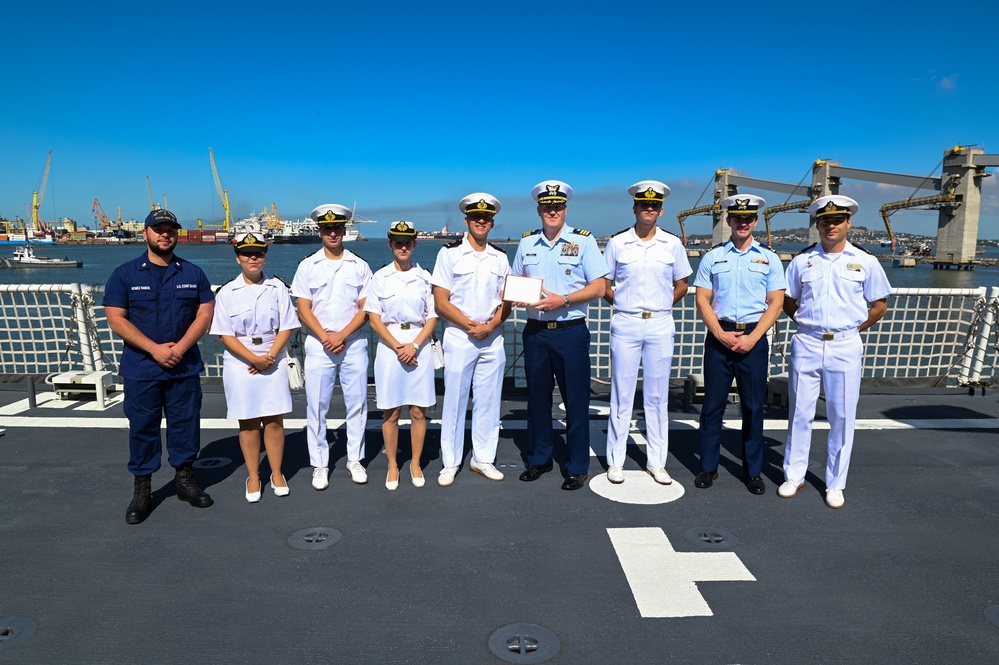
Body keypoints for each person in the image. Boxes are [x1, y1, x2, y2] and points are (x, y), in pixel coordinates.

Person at [103, 209, 215, 524]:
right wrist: (154, 349)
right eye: (158, 229)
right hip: (141, 368)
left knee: (186, 423)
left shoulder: (193, 274)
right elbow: (116, 319)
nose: (164, 234)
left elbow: (204, 315)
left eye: (170, 230)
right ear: (146, 234)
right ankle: (142, 490)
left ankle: (185, 481)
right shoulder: (124, 275)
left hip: (183, 365)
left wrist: (178, 349)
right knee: (142, 427)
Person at [780, 195, 891, 508]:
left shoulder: (866, 261)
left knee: (842, 416)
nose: (831, 225)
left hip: (844, 345)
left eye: (837, 220)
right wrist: (807, 323)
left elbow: (879, 305)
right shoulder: (802, 261)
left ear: (848, 223)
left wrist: (852, 329)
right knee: (799, 413)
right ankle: (794, 475)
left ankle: (835, 483)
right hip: (807, 342)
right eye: (825, 220)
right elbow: (789, 300)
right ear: (817, 224)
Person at [512, 180, 608, 490]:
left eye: (558, 206)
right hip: (536, 332)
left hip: (570, 332)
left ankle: (577, 465)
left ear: (565, 208)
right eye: (547, 207)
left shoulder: (584, 241)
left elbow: (599, 287)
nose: (552, 211)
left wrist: (563, 300)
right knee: (537, 401)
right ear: (539, 209)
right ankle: (540, 459)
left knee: (575, 400)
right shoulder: (527, 244)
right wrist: (515, 295)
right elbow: (515, 281)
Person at [693, 194, 785, 494]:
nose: (742, 222)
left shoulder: (769, 258)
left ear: (755, 221)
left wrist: (754, 337)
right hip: (720, 339)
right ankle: (708, 467)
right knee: (712, 407)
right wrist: (719, 333)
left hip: (754, 340)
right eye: (737, 218)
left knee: (753, 407)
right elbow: (702, 299)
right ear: (729, 221)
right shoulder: (712, 257)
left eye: (748, 218)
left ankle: (753, 472)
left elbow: (776, 302)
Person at [602, 181, 691, 485]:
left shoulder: (672, 244)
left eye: (654, 206)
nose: (648, 209)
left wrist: (665, 303)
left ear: (661, 210)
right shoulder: (617, 243)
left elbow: (682, 283)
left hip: (660, 323)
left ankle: (657, 461)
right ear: (635, 209)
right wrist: (623, 304)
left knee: (656, 396)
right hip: (625, 323)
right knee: (621, 394)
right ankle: (615, 461)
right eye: (643, 205)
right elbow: (605, 284)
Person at [210, 232, 300, 502]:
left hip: (272, 358)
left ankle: (276, 473)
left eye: (258, 253)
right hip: (241, 363)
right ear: (238, 258)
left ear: (264, 257)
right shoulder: (227, 292)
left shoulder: (278, 288)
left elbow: (287, 325)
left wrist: (269, 357)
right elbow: (224, 334)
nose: (253, 258)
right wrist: (253, 359)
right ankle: (253, 475)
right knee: (248, 422)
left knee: (274, 420)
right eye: (247, 253)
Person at [431, 193, 511, 487]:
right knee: (455, 400)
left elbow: (507, 301)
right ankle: (450, 462)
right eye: (476, 217)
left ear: (492, 223)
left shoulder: (500, 258)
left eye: (486, 218)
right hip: (460, 336)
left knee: (489, 400)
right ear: (467, 221)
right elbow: (441, 301)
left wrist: (489, 326)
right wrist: (471, 325)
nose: (481, 221)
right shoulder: (449, 254)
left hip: (492, 337)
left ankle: (483, 458)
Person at [291, 204, 373, 490]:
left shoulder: (359, 265)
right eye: (327, 228)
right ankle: (320, 464)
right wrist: (326, 336)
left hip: (352, 343)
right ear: (319, 232)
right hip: (318, 343)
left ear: (344, 229)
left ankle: (354, 459)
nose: (333, 232)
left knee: (358, 403)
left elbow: (366, 308)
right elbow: (303, 308)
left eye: (337, 227)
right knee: (317, 406)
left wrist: (341, 335)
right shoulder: (307, 266)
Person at [365, 221, 438, 490]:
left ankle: (415, 462)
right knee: (391, 411)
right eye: (398, 243)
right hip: (390, 347)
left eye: (408, 242)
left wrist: (414, 346)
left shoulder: (426, 278)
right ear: (390, 245)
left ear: (415, 245)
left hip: (418, 344)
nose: (403, 247)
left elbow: (432, 316)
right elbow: (374, 320)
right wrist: (399, 347)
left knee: (419, 410)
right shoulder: (380, 278)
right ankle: (393, 464)